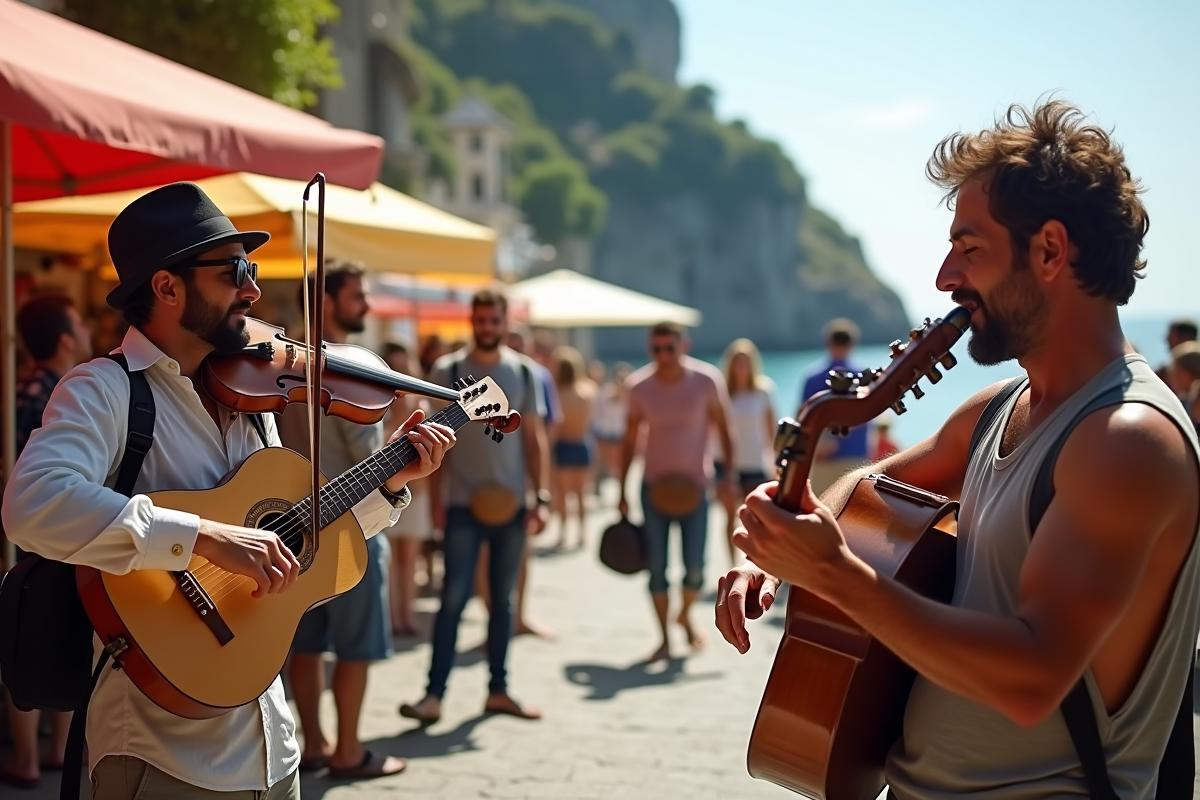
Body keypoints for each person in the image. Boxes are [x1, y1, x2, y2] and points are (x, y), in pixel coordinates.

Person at [716, 101, 1200, 799]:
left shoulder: (1126, 440)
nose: (945, 278)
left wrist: (835, 575)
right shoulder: (994, 410)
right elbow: (865, 493)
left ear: (1051, 251)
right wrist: (774, 552)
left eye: (969, 249)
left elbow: (1033, 679)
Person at [1, 183, 453, 799]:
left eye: (253, 269)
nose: (254, 290)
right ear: (166, 287)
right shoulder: (101, 390)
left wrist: (391, 483)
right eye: (234, 271)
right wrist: (203, 538)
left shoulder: (253, 400)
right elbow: (32, 504)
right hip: (163, 752)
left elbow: (298, 543)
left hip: (272, 743)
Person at [279, 262, 411, 780]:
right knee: (356, 647)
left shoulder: (282, 361)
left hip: (288, 527)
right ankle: (349, 750)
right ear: (327, 302)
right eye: (358, 296)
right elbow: (367, 457)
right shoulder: (354, 366)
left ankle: (313, 744)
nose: (367, 306)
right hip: (353, 526)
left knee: (305, 643)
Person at [399, 290, 549, 724]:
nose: (486, 327)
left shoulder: (523, 371)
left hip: (512, 505)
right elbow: (433, 438)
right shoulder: (448, 370)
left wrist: (540, 496)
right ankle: (433, 696)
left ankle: (499, 690)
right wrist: (438, 500)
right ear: (472, 321)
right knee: (453, 599)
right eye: (480, 319)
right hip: (462, 504)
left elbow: (534, 439)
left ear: (504, 322)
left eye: (493, 320)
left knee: (502, 601)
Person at [1, 294, 92, 790]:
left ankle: (31, 758)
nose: (83, 333)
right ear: (63, 338)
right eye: (78, 323)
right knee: (52, 628)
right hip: (54, 531)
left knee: (35, 629)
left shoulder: (30, 390)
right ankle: (53, 752)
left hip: (42, 531)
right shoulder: (66, 392)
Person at [619, 322, 735, 661]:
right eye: (657, 349)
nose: (664, 356)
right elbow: (628, 440)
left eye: (670, 348)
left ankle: (684, 614)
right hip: (653, 489)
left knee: (696, 569)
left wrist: (728, 476)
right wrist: (622, 490)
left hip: (696, 489)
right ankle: (664, 638)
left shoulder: (707, 380)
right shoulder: (638, 387)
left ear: (683, 345)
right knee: (657, 568)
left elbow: (725, 430)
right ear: (649, 350)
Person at [379, 342, 436, 636]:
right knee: (389, 559)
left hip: (419, 493)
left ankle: (406, 614)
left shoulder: (423, 405)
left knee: (409, 557)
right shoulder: (377, 403)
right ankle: (391, 618)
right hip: (384, 494)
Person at [715, 339, 776, 565]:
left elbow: (771, 429)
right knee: (729, 517)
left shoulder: (764, 390)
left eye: (745, 362)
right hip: (726, 465)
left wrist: (775, 460)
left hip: (756, 464)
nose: (741, 367)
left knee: (758, 518)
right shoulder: (723, 392)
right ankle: (732, 565)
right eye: (737, 362)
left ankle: (757, 564)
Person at [799, 318, 871, 495]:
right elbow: (867, 413)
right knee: (852, 517)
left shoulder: (813, 377)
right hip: (854, 457)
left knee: (821, 510)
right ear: (853, 343)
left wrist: (825, 442)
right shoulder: (863, 376)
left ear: (828, 342)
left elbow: (804, 416)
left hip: (822, 457)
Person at [549, 345, 597, 550]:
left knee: (562, 494)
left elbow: (554, 427)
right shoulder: (588, 391)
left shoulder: (557, 394)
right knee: (581, 494)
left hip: (563, 445)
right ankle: (582, 534)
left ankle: (562, 533)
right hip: (582, 443)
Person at [592, 361, 632, 495]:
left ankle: (620, 493)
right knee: (602, 463)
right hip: (607, 434)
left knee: (618, 467)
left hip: (620, 434)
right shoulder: (606, 393)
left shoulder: (630, 394)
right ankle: (599, 488)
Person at [1157, 318, 1198, 388]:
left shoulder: (1164, 376)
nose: (1167, 339)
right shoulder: (1163, 372)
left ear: (1185, 337)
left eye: (1171, 335)